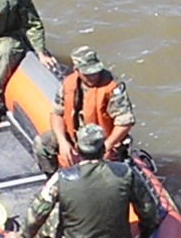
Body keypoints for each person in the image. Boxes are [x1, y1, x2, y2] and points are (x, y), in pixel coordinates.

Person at [13, 124, 159, 238]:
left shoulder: (61, 178)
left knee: (50, 215)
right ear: (103, 150)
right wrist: (147, 236)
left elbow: (37, 213)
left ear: (77, 149)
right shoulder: (126, 173)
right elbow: (148, 210)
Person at [33, 45, 136, 176]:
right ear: (77, 70)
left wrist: (107, 146)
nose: (93, 77)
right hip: (75, 137)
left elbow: (125, 122)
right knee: (42, 144)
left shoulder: (112, 88)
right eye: (88, 74)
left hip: (100, 143)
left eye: (95, 72)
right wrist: (63, 142)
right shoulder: (68, 84)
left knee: (102, 174)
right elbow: (56, 114)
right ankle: (54, 179)